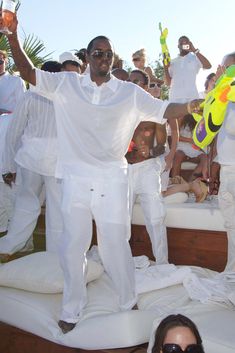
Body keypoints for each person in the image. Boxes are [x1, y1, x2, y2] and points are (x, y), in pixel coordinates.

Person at [2, 12, 201, 334]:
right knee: (73, 246)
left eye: (109, 53)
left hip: (111, 179)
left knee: (114, 245)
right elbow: (26, 71)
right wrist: (11, 35)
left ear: (112, 58)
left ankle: (126, 299)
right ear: (87, 57)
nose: (104, 58)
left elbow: (166, 110)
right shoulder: (66, 85)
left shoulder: (127, 92)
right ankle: (71, 308)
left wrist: (193, 105)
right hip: (75, 181)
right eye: (98, 53)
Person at [0, 61, 64, 259]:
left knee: (26, 206)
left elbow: (14, 133)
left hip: (31, 159)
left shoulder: (30, 96)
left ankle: (7, 248)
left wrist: (9, 166)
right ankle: (55, 255)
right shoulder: (67, 98)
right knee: (57, 210)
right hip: (56, 161)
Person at [127, 69, 178, 264]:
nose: (132, 84)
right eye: (130, 81)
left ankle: (162, 263)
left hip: (148, 170)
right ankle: (120, 261)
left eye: (137, 82)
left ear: (145, 87)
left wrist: (147, 152)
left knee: (156, 218)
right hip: (123, 171)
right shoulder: (119, 107)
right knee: (121, 220)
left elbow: (161, 147)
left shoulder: (155, 110)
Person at [0, 49, 25, 234]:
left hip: (7, 132)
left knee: (8, 189)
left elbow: (22, 110)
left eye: (0, 60)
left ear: (6, 61)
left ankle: (11, 234)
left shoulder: (15, 81)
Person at [215, 51, 235, 271]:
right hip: (226, 169)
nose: (221, 71)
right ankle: (231, 273)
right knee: (231, 226)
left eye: (226, 67)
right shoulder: (223, 96)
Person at [164, 36, 211, 102]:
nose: (184, 45)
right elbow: (168, 83)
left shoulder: (195, 58)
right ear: (178, 46)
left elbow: (208, 66)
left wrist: (195, 50)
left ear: (190, 44)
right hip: (174, 99)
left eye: (186, 43)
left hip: (192, 98)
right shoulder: (172, 62)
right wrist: (165, 68)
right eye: (181, 43)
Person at [171, 114, 208, 182]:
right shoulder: (181, 117)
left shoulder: (204, 119)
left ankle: (191, 182)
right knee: (179, 154)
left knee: (205, 158)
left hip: (196, 150)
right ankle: (175, 181)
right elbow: (175, 136)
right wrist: (191, 141)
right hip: (182, 147)